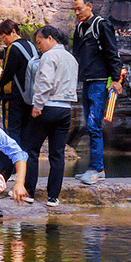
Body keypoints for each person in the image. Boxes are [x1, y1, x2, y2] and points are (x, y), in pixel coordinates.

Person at [71, 0, 125, 184]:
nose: (77, 13)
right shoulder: (79, 28)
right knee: (90, 123)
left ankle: (98, 169)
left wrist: (117, 80)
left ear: (90, 6)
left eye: (80, 8)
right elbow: (75, 54)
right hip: (86, 81)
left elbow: (112, 52)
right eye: (74, 10)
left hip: (100, 82)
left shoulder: (101, 25)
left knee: (94, 123)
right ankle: (93, 167)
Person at [24, 24, 78, 207]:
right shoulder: (72, 59)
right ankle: (53, 197)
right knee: (57, 154)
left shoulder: (49, 56)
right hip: (65, 110)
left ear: (50, 39)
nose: (39, 47)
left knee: (31, 150)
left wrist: (37, 105)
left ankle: (29, 192)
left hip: (48, 107)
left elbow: (44, 83)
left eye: (40, 43)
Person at [0, 18, 37, 148]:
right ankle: (25, 165)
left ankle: (13, 165)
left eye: (4, 37)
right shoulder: (31, 46)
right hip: (30, 97)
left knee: (11, 132)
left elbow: (7, 73)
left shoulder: (12, 48)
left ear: (13, 32)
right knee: (26, 132)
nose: (4, 41)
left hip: (13, 98)